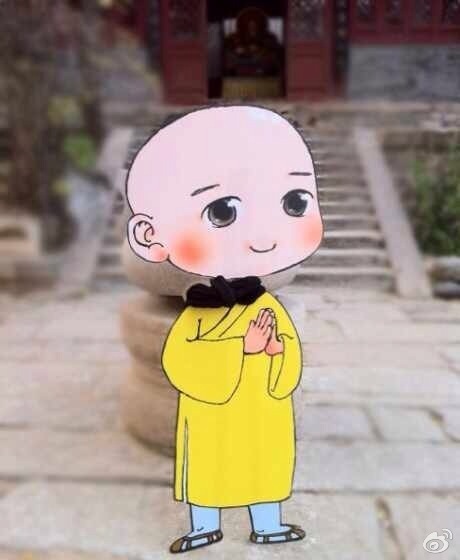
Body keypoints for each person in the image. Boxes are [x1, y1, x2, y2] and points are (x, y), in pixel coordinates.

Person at [126, 105, 323, 553]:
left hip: (263, 406)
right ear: (149, 236)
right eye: (222, 211)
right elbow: (180, 361)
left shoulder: (265, 303)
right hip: (211, 414)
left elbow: (288, 357)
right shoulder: (198, 311)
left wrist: (277, 352)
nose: (263, 237)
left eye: (294, 203)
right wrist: (241, 350)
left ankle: (268, 523)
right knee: (210, 463)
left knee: (264, 458)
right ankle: (203, 526)